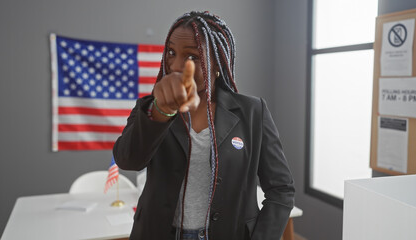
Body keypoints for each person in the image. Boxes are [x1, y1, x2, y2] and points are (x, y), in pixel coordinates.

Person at [113, 11, 295, 240]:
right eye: (171, 52)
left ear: (218, 62)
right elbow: (128, 159)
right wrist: (162, 112)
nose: (176, 65)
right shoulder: (151, 108)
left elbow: (281, 189)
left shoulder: (252, 112)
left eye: (192, 56)